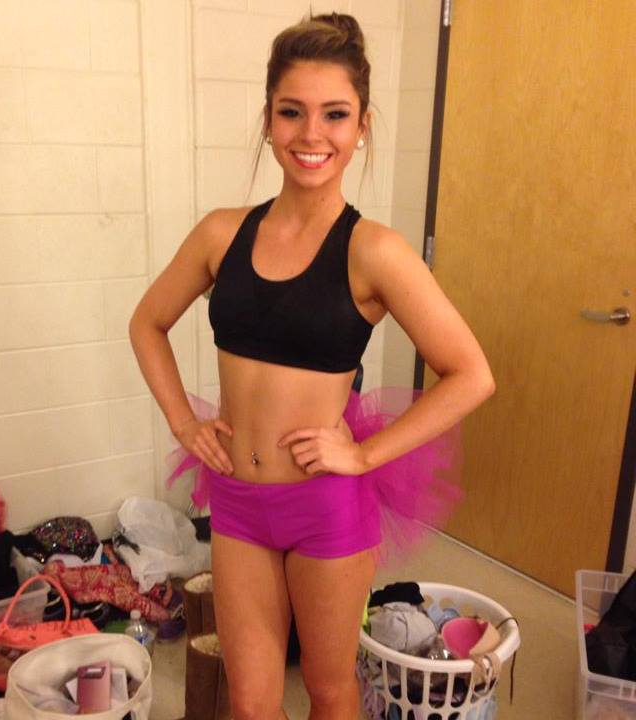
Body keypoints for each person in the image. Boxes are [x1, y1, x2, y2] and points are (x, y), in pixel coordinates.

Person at [129, 12, 495, 720]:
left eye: (335, 114)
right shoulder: (221, 233)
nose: (311, 134)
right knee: (251, 700)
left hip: (324, 505)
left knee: (328, 691)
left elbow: (470, 373)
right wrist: (182, 422)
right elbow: (147, 322)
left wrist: (365, 455)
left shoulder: (374, 250)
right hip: (237, 501)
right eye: (292, 111)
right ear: (268, 119)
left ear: (362, 126)